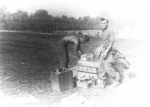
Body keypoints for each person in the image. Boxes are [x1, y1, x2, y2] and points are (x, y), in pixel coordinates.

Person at [95, 18, 130, 86]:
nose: (103, 24)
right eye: (102, 23)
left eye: (104, 23)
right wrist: (100, 49)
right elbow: (103, 42)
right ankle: (102, 82)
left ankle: (116, 78)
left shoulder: (110, 30)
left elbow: (111, 42)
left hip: (109, 52)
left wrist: (106, 52)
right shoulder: (102, 31)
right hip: (103, 51)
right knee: (101, 67)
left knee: (107, 67)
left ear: (107, 23)